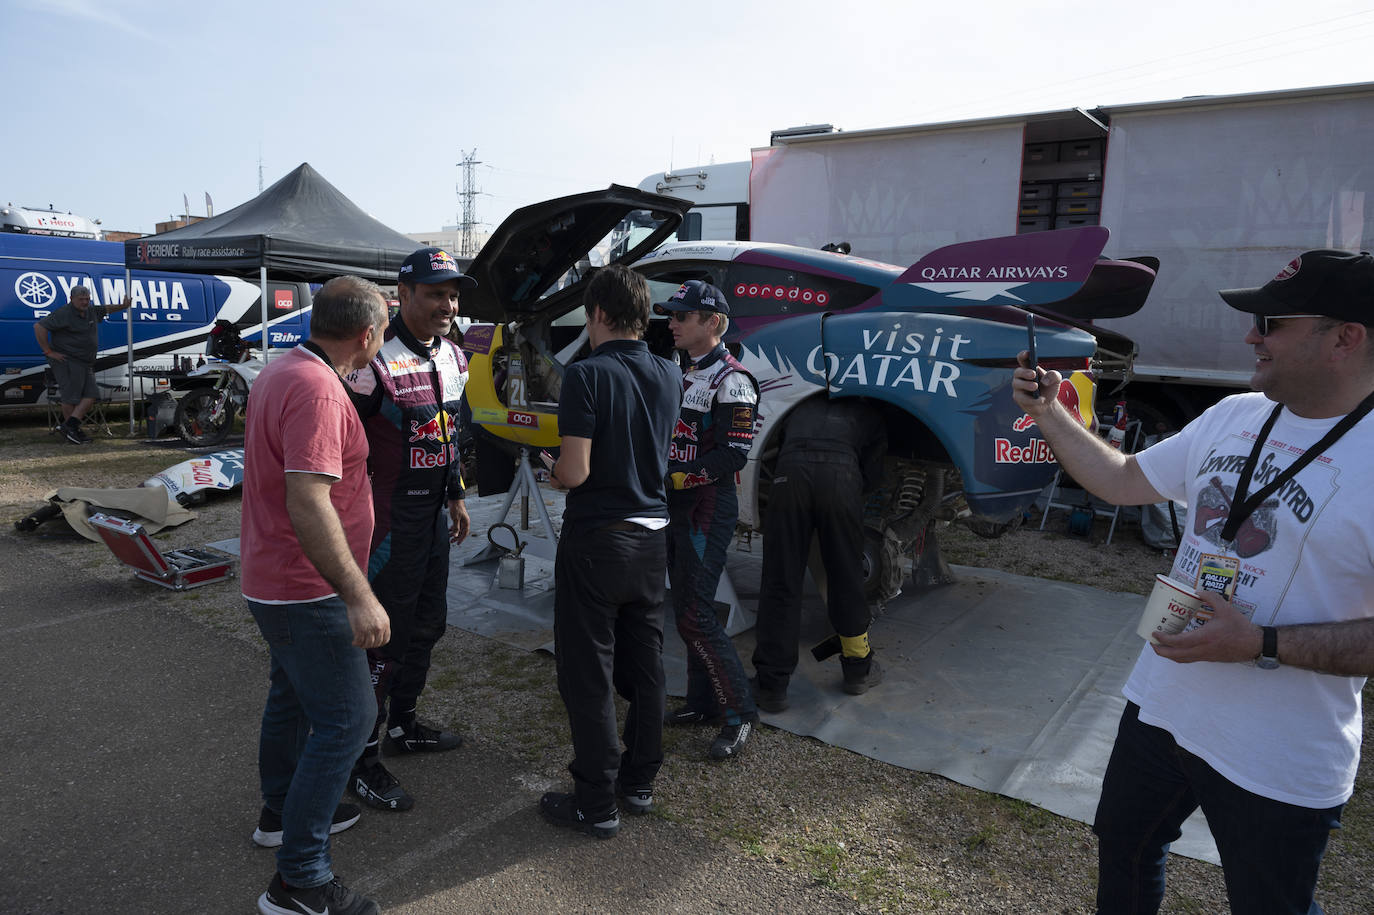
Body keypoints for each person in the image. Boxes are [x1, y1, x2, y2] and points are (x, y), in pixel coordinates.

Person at [1011, 249, 1374, 915]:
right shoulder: (1234, 413)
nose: (1250, 335)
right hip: (1163, 701)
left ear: (1345, 337)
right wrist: (1049, 414)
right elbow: (1122, 480)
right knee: (1123, 843)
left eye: (1271, 321)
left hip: (1278, 750)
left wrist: (1262, 641)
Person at [241, 275, 391, 915]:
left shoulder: (284, 369)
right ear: (367, 333)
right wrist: (357, 595)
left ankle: (280, 811)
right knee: (348, 720)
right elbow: (308, 498)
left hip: (277, 579)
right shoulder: (318, 391)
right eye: (382, 328)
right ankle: (299, 880)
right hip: (307, 589)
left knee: (293, 697)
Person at [540, 264, 681, 838]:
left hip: (598, 536)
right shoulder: (670, 371)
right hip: (653, 538)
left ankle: (595, 801)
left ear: (597, 314)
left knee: (588, 671)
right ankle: (640, 779)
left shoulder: (587, 374)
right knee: (646, 664)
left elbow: (576, 470)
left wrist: (554, 471)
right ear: (644, 316)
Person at [344, 247, 474, 812]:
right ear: (404, 294)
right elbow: (339, 444)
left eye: (452, 293)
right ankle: (359, 762)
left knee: (427, 625)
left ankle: (404, 724)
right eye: (435, 293)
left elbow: (447, 437)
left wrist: (457, 495)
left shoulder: (455, 355)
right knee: (382, 640)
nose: (447, 303)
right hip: (389, 522)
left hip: (433, 515)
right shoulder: (371, 359)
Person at [654, 280, 759, 759]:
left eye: (682, 316)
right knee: (685, 612)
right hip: (677, 508)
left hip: (707, 509)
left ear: (713, 323)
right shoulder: (680, 371)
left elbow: (734, 456)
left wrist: (678, 479)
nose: (671, 322)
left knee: (697, 614)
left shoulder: (733, 380)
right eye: (671, 315)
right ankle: (702, 703)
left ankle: (739, 715)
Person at [750, 396, 887, 711]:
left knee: (781, 580)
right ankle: (858, 671)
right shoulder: (871, 408)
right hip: (841, 477)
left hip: (790, 474)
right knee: (846, 576)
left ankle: (771, 685)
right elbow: (875, 476)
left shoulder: (801, 402)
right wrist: (843, 497)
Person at [34, 285, 131, 444]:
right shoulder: (64, 313)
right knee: (71, 397)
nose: (85, 302)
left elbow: (106, 309)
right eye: (81, 299)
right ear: (71, 299)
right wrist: (48, 351)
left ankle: (69, 426)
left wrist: (123, 306)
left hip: (85, 362)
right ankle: (72, 432)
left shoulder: (90, 311)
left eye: (87, 299)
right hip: (68, 361)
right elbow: (39, 327)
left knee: (91, 394)